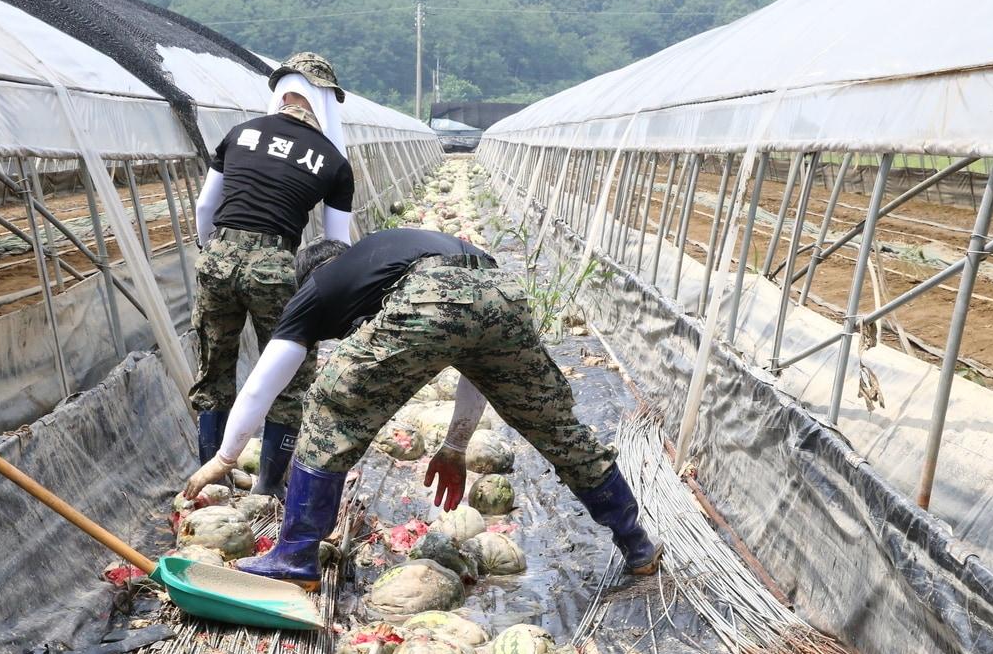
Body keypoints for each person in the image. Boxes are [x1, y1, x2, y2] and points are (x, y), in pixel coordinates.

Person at [183, 227, 662, 590]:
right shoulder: (391, 254)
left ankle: (295, 557)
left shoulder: (318, 286)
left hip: (428, 295)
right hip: (502, 290)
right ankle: (637, 545)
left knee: (330, 405)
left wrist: (224, 460)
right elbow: (479, 363)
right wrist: (454, 447)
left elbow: (265, 381)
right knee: (558, 427)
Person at [189, 52, 355, 496]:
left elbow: (205, 207)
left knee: (214, 367)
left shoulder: (239, 135)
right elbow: (335, 245)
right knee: (288, 376)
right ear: (323, 100)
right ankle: (267, 486)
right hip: (278, 265)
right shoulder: (333, 162)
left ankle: (212, 482)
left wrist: (212, 250)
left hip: (218, 257)